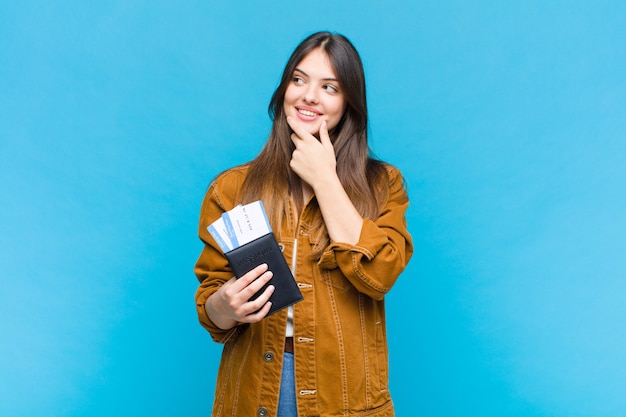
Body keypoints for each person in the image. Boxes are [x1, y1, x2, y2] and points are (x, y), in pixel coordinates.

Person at [194, 31, 413, 417]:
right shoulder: (230, 189)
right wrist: (224, 305)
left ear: (349, 104)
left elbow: (380, 275)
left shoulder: (384, 185)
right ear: (284, 91)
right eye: (299, 79)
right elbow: (212, 309)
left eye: (330, 87)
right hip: (255, 390)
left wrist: (326, 180)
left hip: (342, 396)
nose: (309, 96)